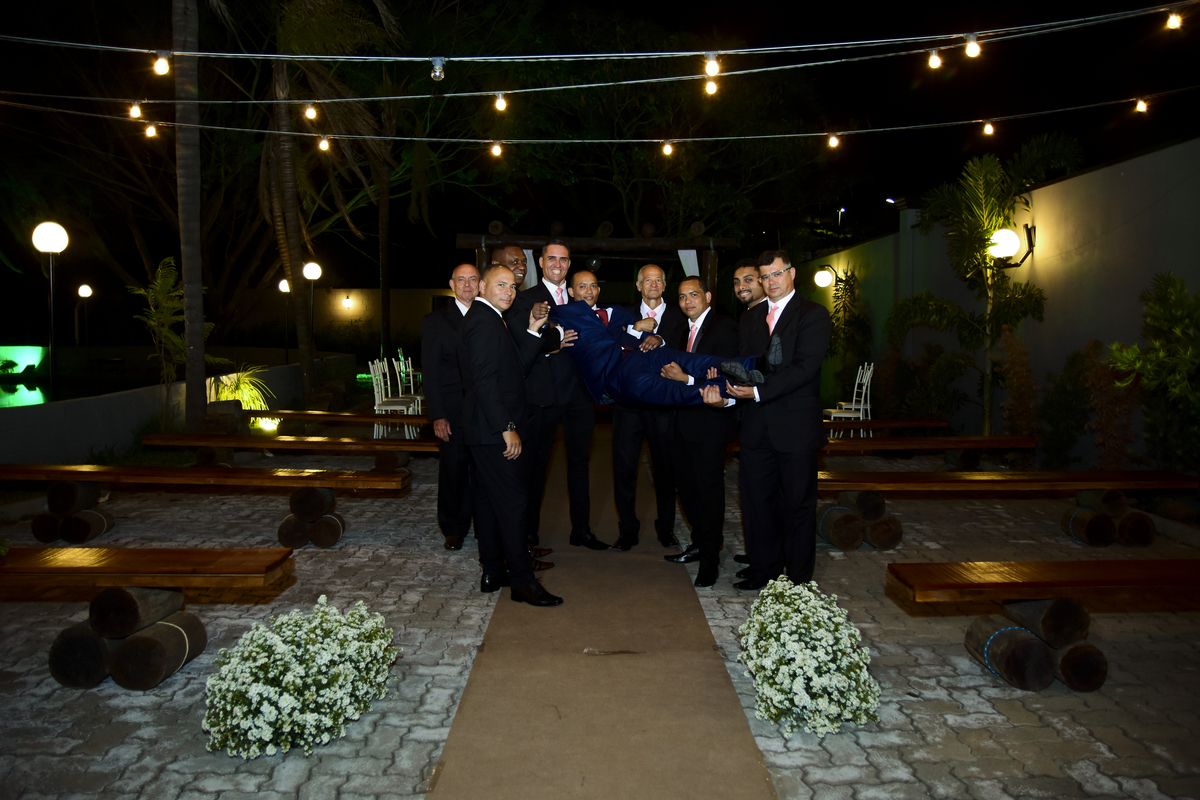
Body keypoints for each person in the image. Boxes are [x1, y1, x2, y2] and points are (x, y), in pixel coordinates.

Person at [709, 250, 831, 590]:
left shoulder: (813, 314)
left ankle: (798, 581)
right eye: (765, 276)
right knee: (757, 503)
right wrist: (727, 390)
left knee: (797, 506)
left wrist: (758, 392)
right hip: (756, 425)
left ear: (791, 273)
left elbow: (805, 368)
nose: (770, 281)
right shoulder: (751, 318)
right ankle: (765, 571)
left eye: (776, 273)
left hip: (795, 427)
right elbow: (747, 365)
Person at [460, 263, 563, 606]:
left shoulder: (492, 319)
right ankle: (522, 581)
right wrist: (507, 428)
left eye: (512, 286)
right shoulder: (483, 321)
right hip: (492, 430)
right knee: (513, 502)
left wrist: (533, 330)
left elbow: (514, 369)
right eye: (500, 285)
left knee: (488, 503)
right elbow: (485, 382)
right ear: (482, 287)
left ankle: (493, 571)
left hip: (483, 430)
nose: (509, 291)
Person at [506, 240, 609, 551]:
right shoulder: (526, 299)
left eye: (563, 259)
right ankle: (528, 535)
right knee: (536, 466)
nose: (557, 264)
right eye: (551, 258)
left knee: (580, 463)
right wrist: (553, 341)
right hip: (544, 394)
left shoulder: (580, 296)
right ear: (540, 262)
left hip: (580, 393)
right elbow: (521, 340)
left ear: (569, 264)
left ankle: (582, 531)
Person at [659, 277, 739, 587]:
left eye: (693, 294)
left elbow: (726, 378)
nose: (687, 301)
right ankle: (699, 543)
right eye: (682, 297)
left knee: (709, 493)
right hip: (680, 423)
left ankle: (710, 561)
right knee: (687, 490)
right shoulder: (680, 331)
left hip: (709, 425)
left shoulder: (725, 328)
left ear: (707, 296)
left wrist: (686, 379)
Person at [611, 264, 687, 551]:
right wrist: (634, 329)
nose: (653, 284)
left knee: (665, 469)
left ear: (664, 285)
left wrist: (661, 339)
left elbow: (686, 346)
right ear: (639, 285)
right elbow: (610, 342)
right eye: (648, 280)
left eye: (658, 280)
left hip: (663, 404)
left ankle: (666, 528)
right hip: (628, 404)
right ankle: (627, 529)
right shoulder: (623, 315)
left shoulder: (680, 315)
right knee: (624, 468)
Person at [420, 263, 478, 551]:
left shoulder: (491, 316)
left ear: (480, 285)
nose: (467, 285)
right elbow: (430, 372)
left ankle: (486, 525)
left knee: (484, 470)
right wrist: (438, 415)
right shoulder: (435, 321)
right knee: (454, 469)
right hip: (453, 407)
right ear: (452, 285)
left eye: (473, 279)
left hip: (485, 407)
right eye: (461, 280)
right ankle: (453, 528)